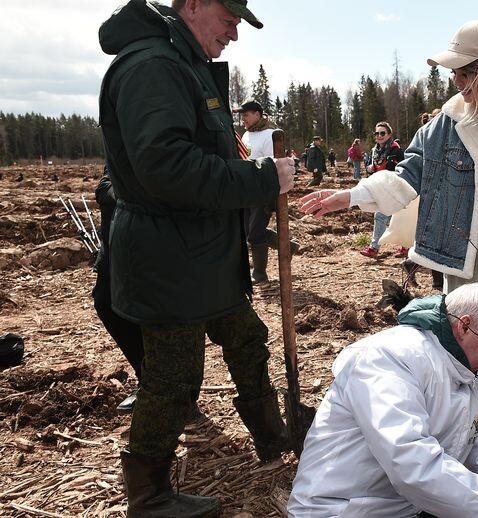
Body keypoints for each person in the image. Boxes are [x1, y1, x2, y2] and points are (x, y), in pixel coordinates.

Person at [300, 19, 478, 468]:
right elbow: (409, 173)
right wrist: (351, 196)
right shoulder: (447, 123)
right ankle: (461, 429)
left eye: (465, 72)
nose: (457, 82)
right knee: (459, 338)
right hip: (463, 248)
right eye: (455, 73)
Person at [98, 0, 295, 515]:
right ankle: (149, 494)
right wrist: (261, 178)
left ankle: (274, 436)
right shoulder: (153, 66)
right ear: (192, 6)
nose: (234, 34)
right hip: (169, 258)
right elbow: (167, 167)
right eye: (229, 20)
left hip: (202, 255)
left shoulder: (183, 63)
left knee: (246, 336)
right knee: (173, 375)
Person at [287, 284, 478, 517]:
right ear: (465, 326)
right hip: (341, 510)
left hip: (401, 509)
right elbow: (411, 462)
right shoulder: (390, 358)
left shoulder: (467, 379)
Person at [92, 172, 202, 420]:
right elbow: (104, 187)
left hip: (160, 257)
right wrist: (128, 192)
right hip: (116, 256)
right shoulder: (122, 151)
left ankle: (182, 398)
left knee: (167, 327)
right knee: (105, 304)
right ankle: (148, 383)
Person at [234, 99, 298, 283]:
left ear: (257, 114)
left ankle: (260, 274)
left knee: (255, 233)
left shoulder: (271, 135)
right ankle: (288, 247)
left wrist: (274, 194)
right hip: (247, 191)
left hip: (263, 191)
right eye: (242, 115)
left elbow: (275, 165)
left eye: (246, 115)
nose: (243, 118)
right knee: (249, 232)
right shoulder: (246, 135)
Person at [358, 121, 405, 259]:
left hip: (396, 189)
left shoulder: (397, 151)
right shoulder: (375, 151)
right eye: (377, 133)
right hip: (381, 189)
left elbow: (404, 170)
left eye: (382, 133)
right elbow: (373, 168)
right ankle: (375, 248)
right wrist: (370, 168)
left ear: (389, 134)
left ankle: (405, 246)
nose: (379, 136)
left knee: (398, 217)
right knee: (382, 216)